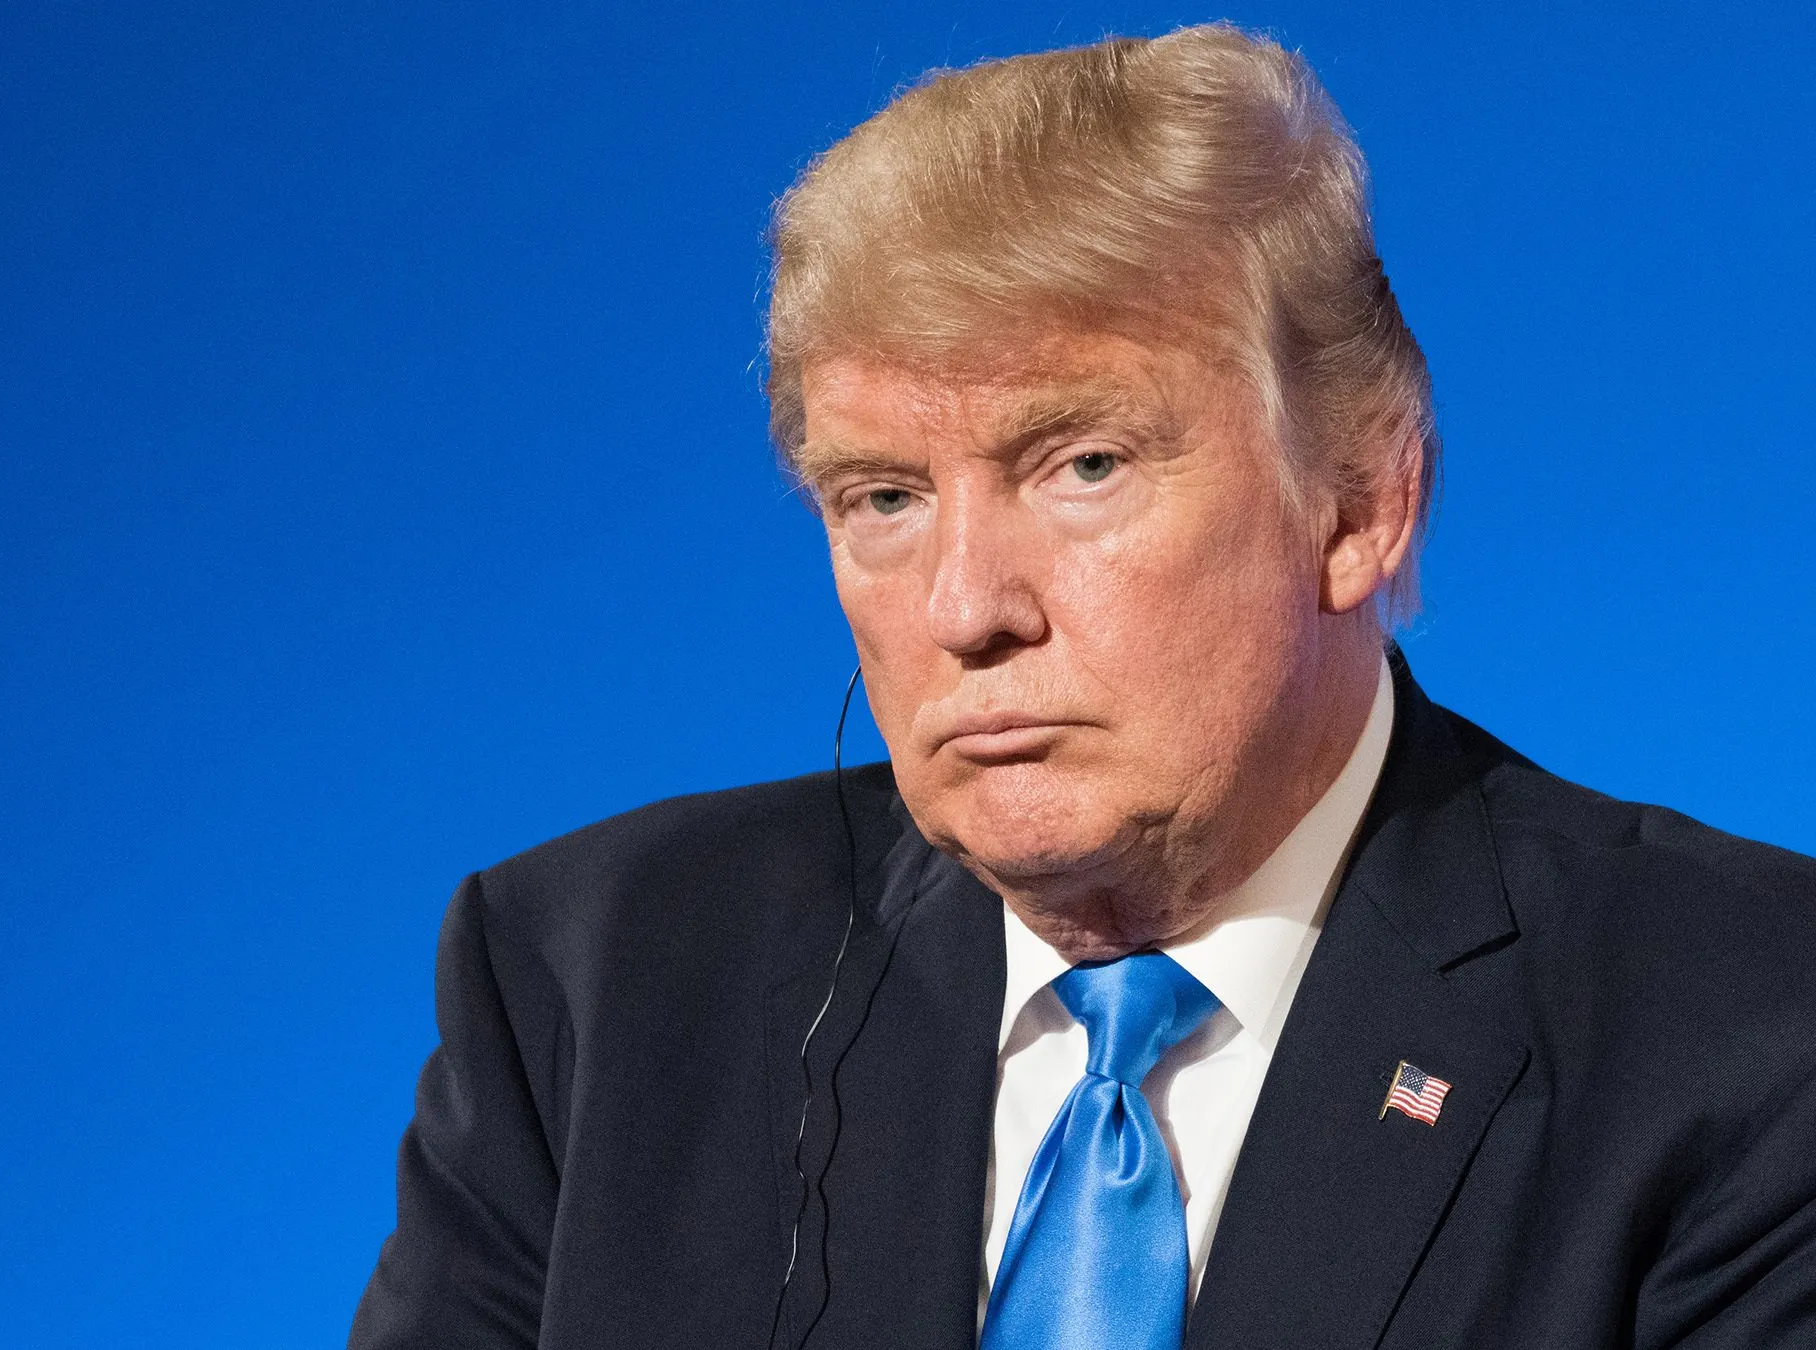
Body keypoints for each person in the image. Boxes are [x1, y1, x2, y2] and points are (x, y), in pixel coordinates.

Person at [347, 23, 1816, 1350]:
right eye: (882, 497)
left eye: (1085, 464)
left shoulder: (1747, 1026)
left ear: (1363, 500)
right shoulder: (593, 983)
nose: (966, 606)